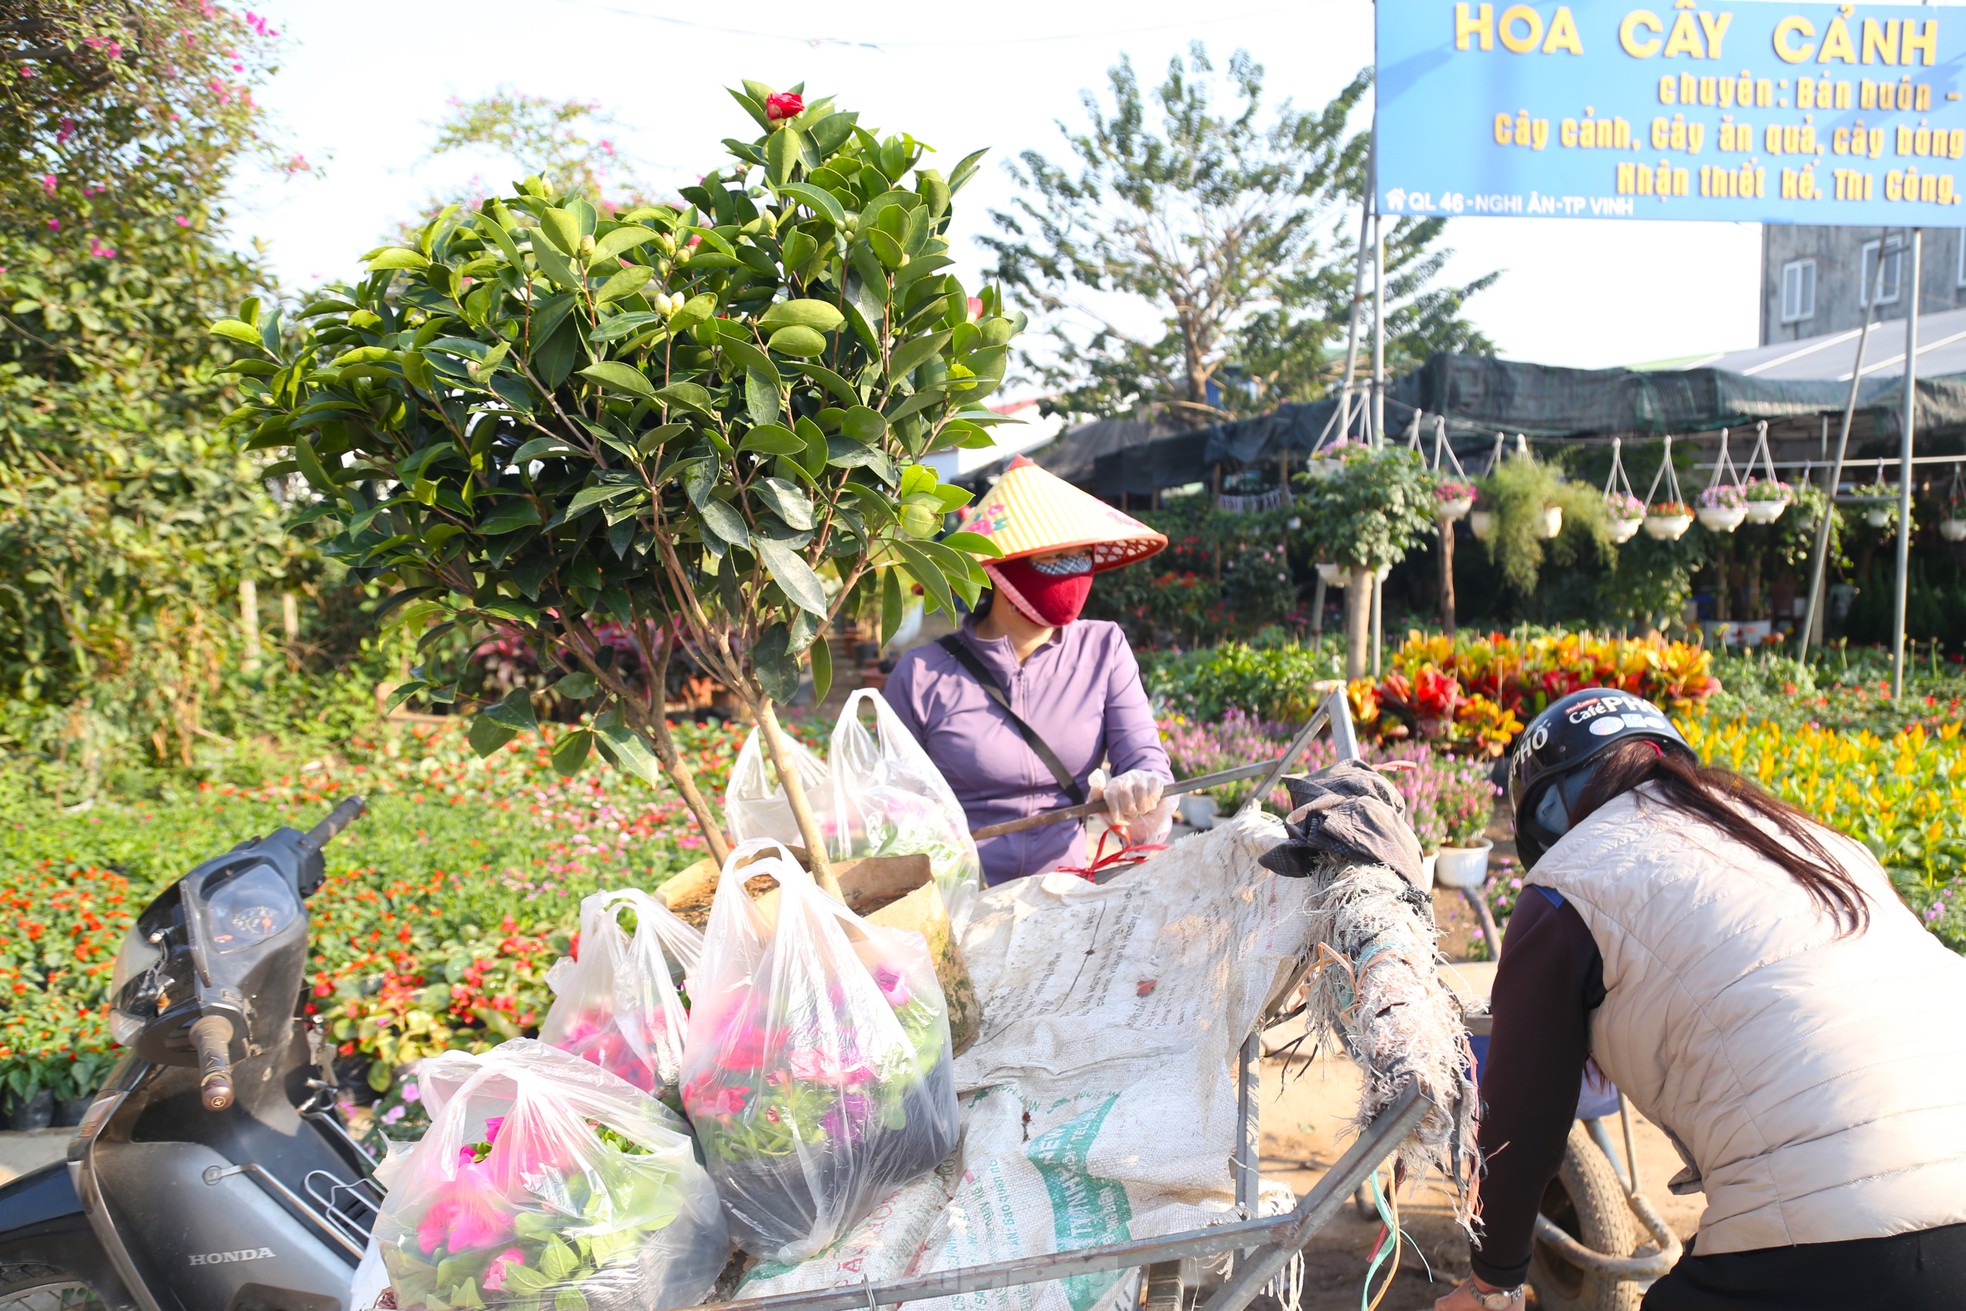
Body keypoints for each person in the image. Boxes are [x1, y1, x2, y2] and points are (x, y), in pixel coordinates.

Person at [1436, 687, 1966, 1311]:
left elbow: (1520, 1112)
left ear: (1548, 816)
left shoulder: (1568, 877)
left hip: (1845, 1227)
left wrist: (1492, 1280)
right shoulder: (1808, 840)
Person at [881, 457, 1176, 885]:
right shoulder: (923, 674)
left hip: (1064, 897)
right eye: (1055, 557)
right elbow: (895, 804)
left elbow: (1143, 754)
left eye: (1081, 557)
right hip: (959, 896)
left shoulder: (1103, 648)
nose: (1072, 572)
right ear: (1001, 566)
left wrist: (1140, 783)